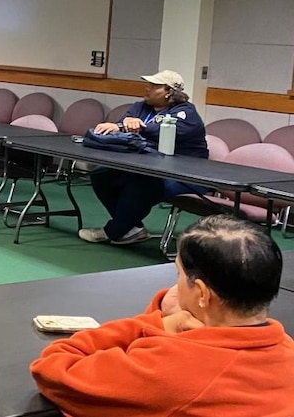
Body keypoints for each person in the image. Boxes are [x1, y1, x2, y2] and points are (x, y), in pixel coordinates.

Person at [31, 215, 294, 416]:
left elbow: (53, 368)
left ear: (202, 293)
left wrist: (158, 323)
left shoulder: (170, 369)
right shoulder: (287, 350)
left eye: (179, 274)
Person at [79, 70, 208, 245]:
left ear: (169, 92)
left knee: (141, 182)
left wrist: (139, 127)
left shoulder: (186, 112)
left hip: (182, 175)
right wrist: (116, 126)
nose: (147, 89)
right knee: (102, 174)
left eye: (154, 86)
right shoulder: (140, 106)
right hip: (146, 165)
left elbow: (165, 130)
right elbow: (122, 125)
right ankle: (133, 229)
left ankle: (114, 231)